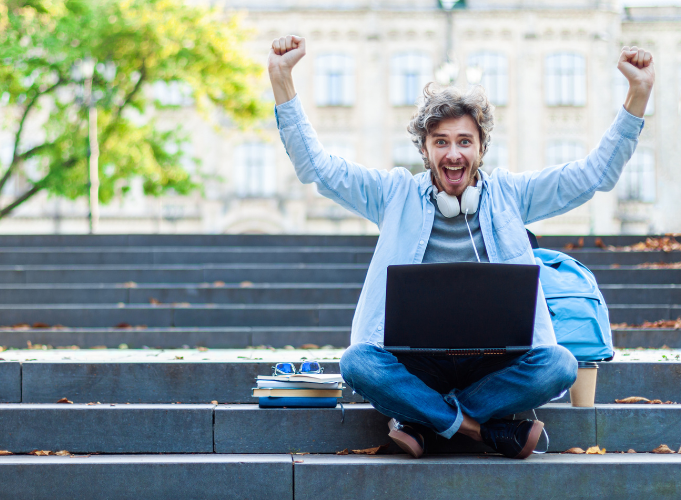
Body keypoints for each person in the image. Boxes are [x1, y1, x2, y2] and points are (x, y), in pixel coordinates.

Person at [267, 35, 654, 459]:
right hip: (415, 365)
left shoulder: (511, 194)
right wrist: (282, 79)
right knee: (357, 363)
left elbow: (592, 175)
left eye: (465, 142)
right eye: (441, 142)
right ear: (425, 149)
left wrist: (638, 94)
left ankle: (428, 425)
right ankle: (479, 430)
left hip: (492, 365)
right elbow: (318, 168)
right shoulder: (393, 194)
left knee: (559, 364)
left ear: (482, 148)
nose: (453, 154)